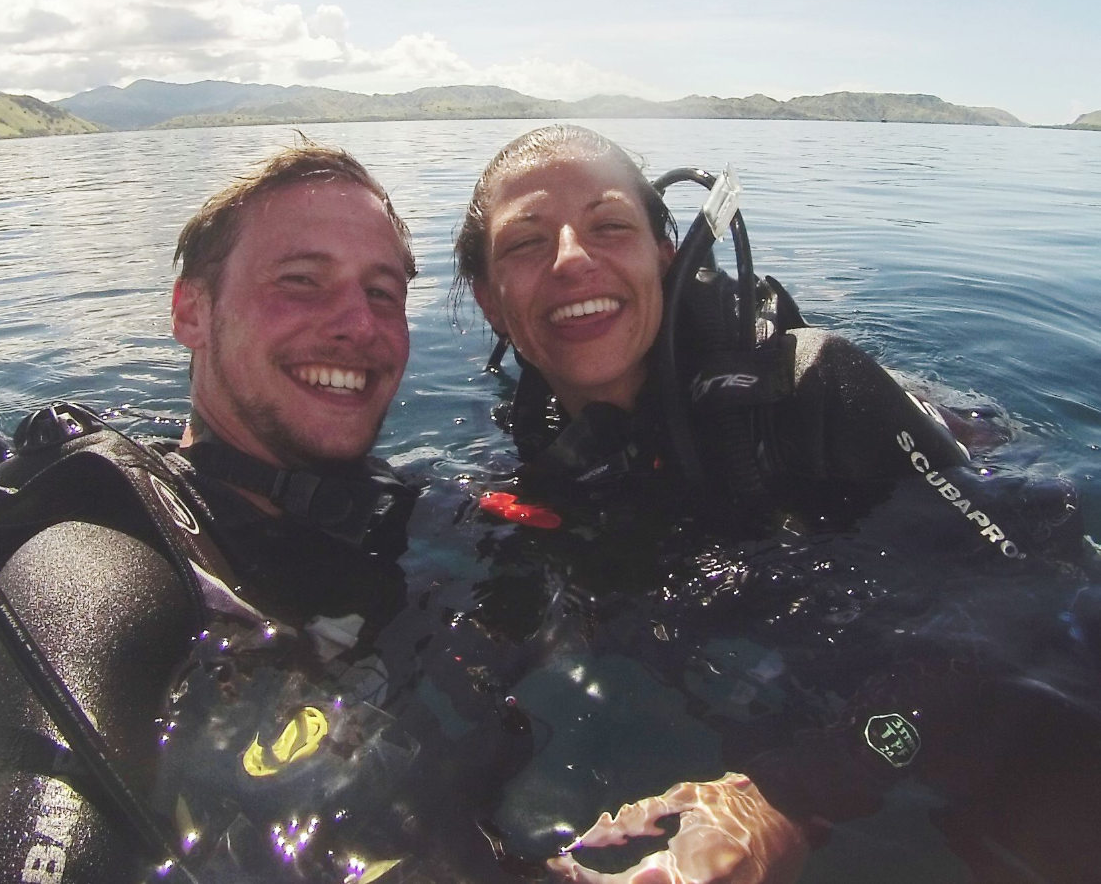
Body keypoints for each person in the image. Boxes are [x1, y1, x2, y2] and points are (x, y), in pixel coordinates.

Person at [452, 123, 1101, 884]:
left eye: (610, 226)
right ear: (492, 302)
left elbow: (1037, 603)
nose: (571, 258)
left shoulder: (819, 389)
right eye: (526, 243)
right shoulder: (531, 461)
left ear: (663, 257)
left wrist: (796, 793)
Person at [0, 141, 418, 884]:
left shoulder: (402, 512)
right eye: (301, 281)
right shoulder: (95, 562)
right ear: (191, 312)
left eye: (383, 293)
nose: (358, 325)